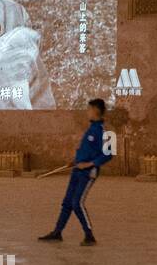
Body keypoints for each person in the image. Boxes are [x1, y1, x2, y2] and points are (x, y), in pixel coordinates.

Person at [38, 98, 110, 245]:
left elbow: (109, 154)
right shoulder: (91, 129)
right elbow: (86, 150)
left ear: (95, 110)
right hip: (77, 170)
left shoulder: (104, 131)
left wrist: (90, 164)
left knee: (77, 203)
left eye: (89, 109)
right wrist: (76, 161)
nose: (87, 112)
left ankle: (89, 236)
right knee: (67, 203)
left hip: (89, 172)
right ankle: (57, 232)